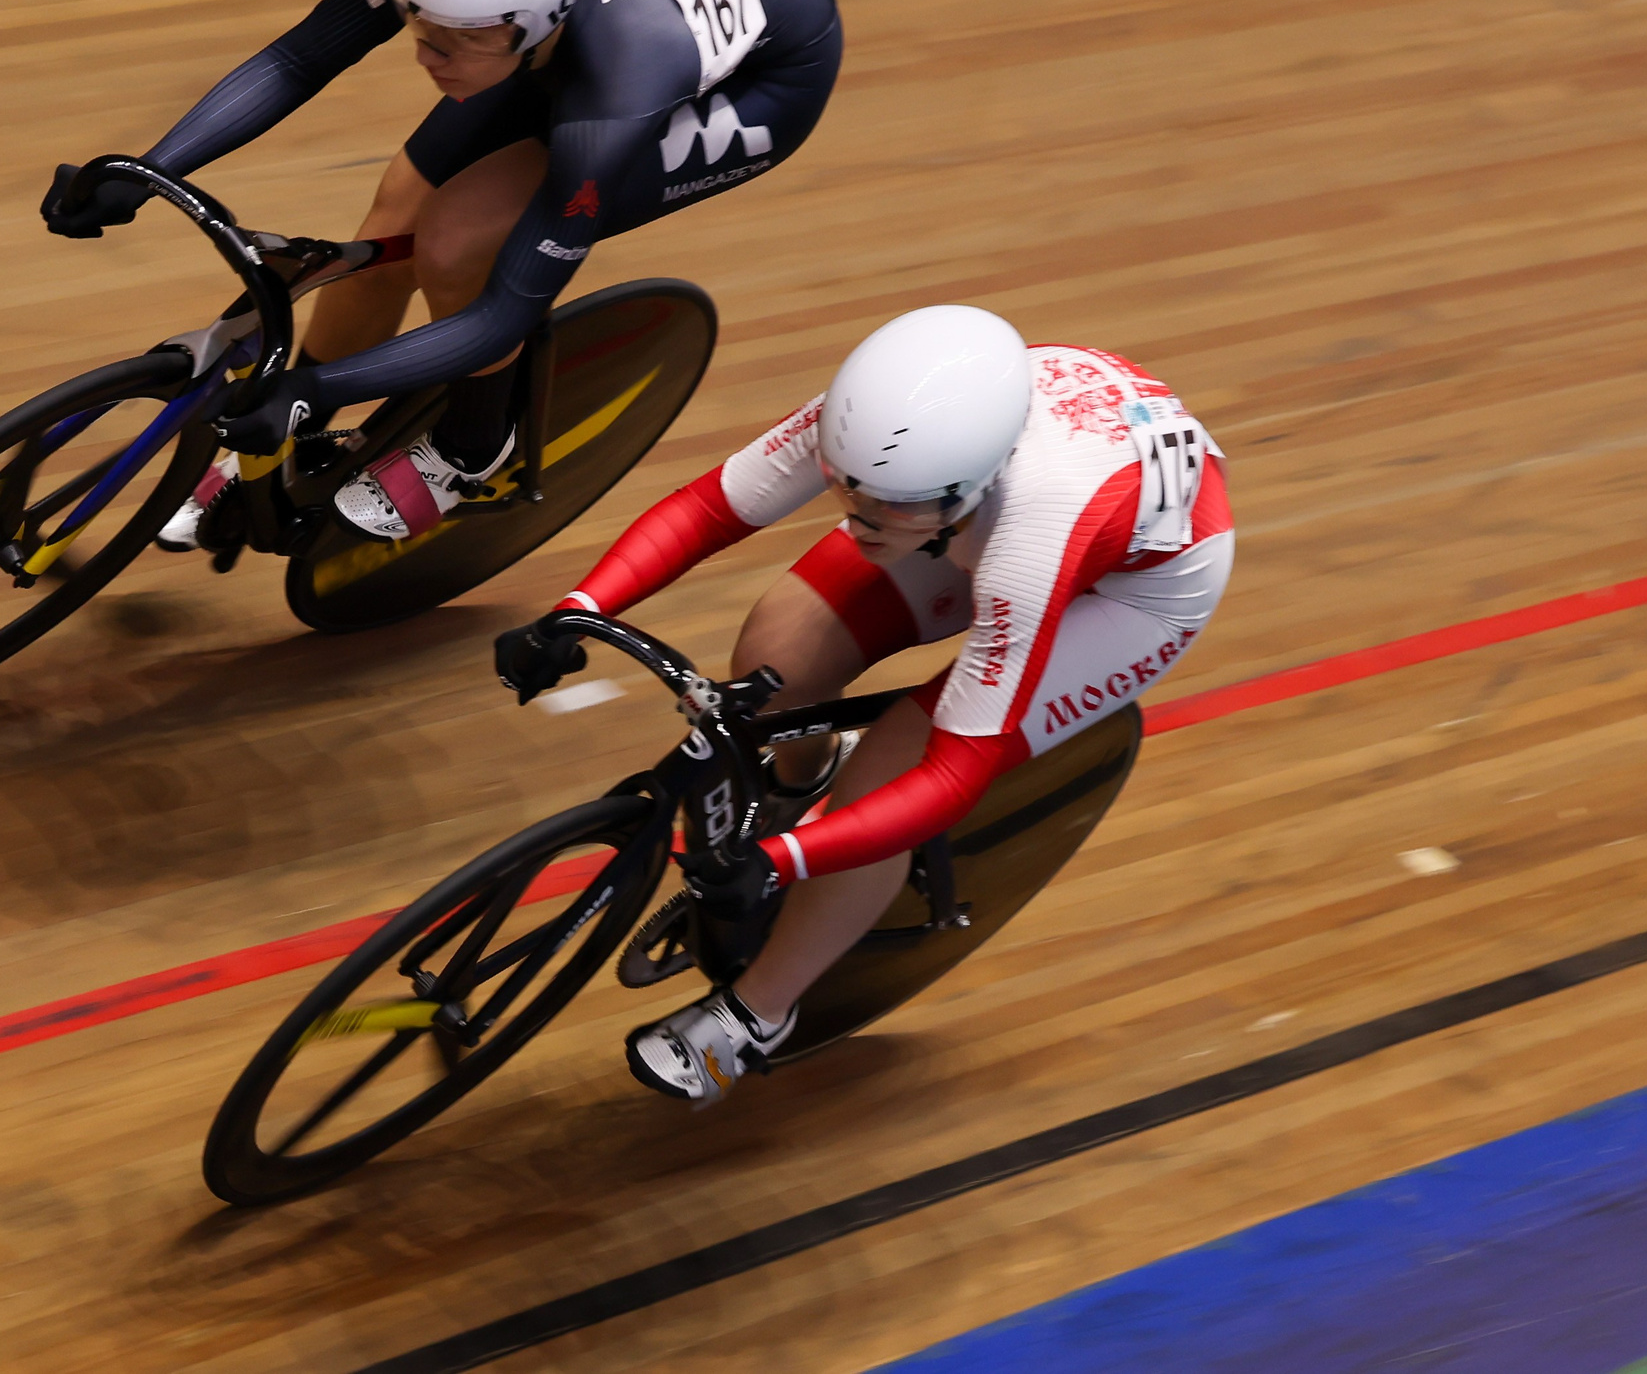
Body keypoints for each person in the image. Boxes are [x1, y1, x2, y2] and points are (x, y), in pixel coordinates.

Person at [494, 305, 1234, 1105]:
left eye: (890, 505)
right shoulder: (883, 427)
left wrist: (780, 861)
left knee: (893, 767)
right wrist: (577, 609)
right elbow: (710, 508)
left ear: (967, 486)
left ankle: (757, 1014)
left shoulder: (1026, 538)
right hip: (987, 512)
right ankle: (802, 786)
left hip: (1135, 589)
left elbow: (951, 775)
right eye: (848, 489)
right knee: (778, 652)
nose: (861, 517)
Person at [41, 0, 840, 543]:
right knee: (396, 213)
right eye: (419, 27)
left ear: (543, 18)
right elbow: (297, 60)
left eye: (460, 40)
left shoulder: (622, 73)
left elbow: (504, 312)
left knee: (459, 242)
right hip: (589, 21)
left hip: (756, 89)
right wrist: (144, 169)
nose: (429, 55)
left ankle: (472, 448)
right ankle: (299, 430)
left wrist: (309, 388)